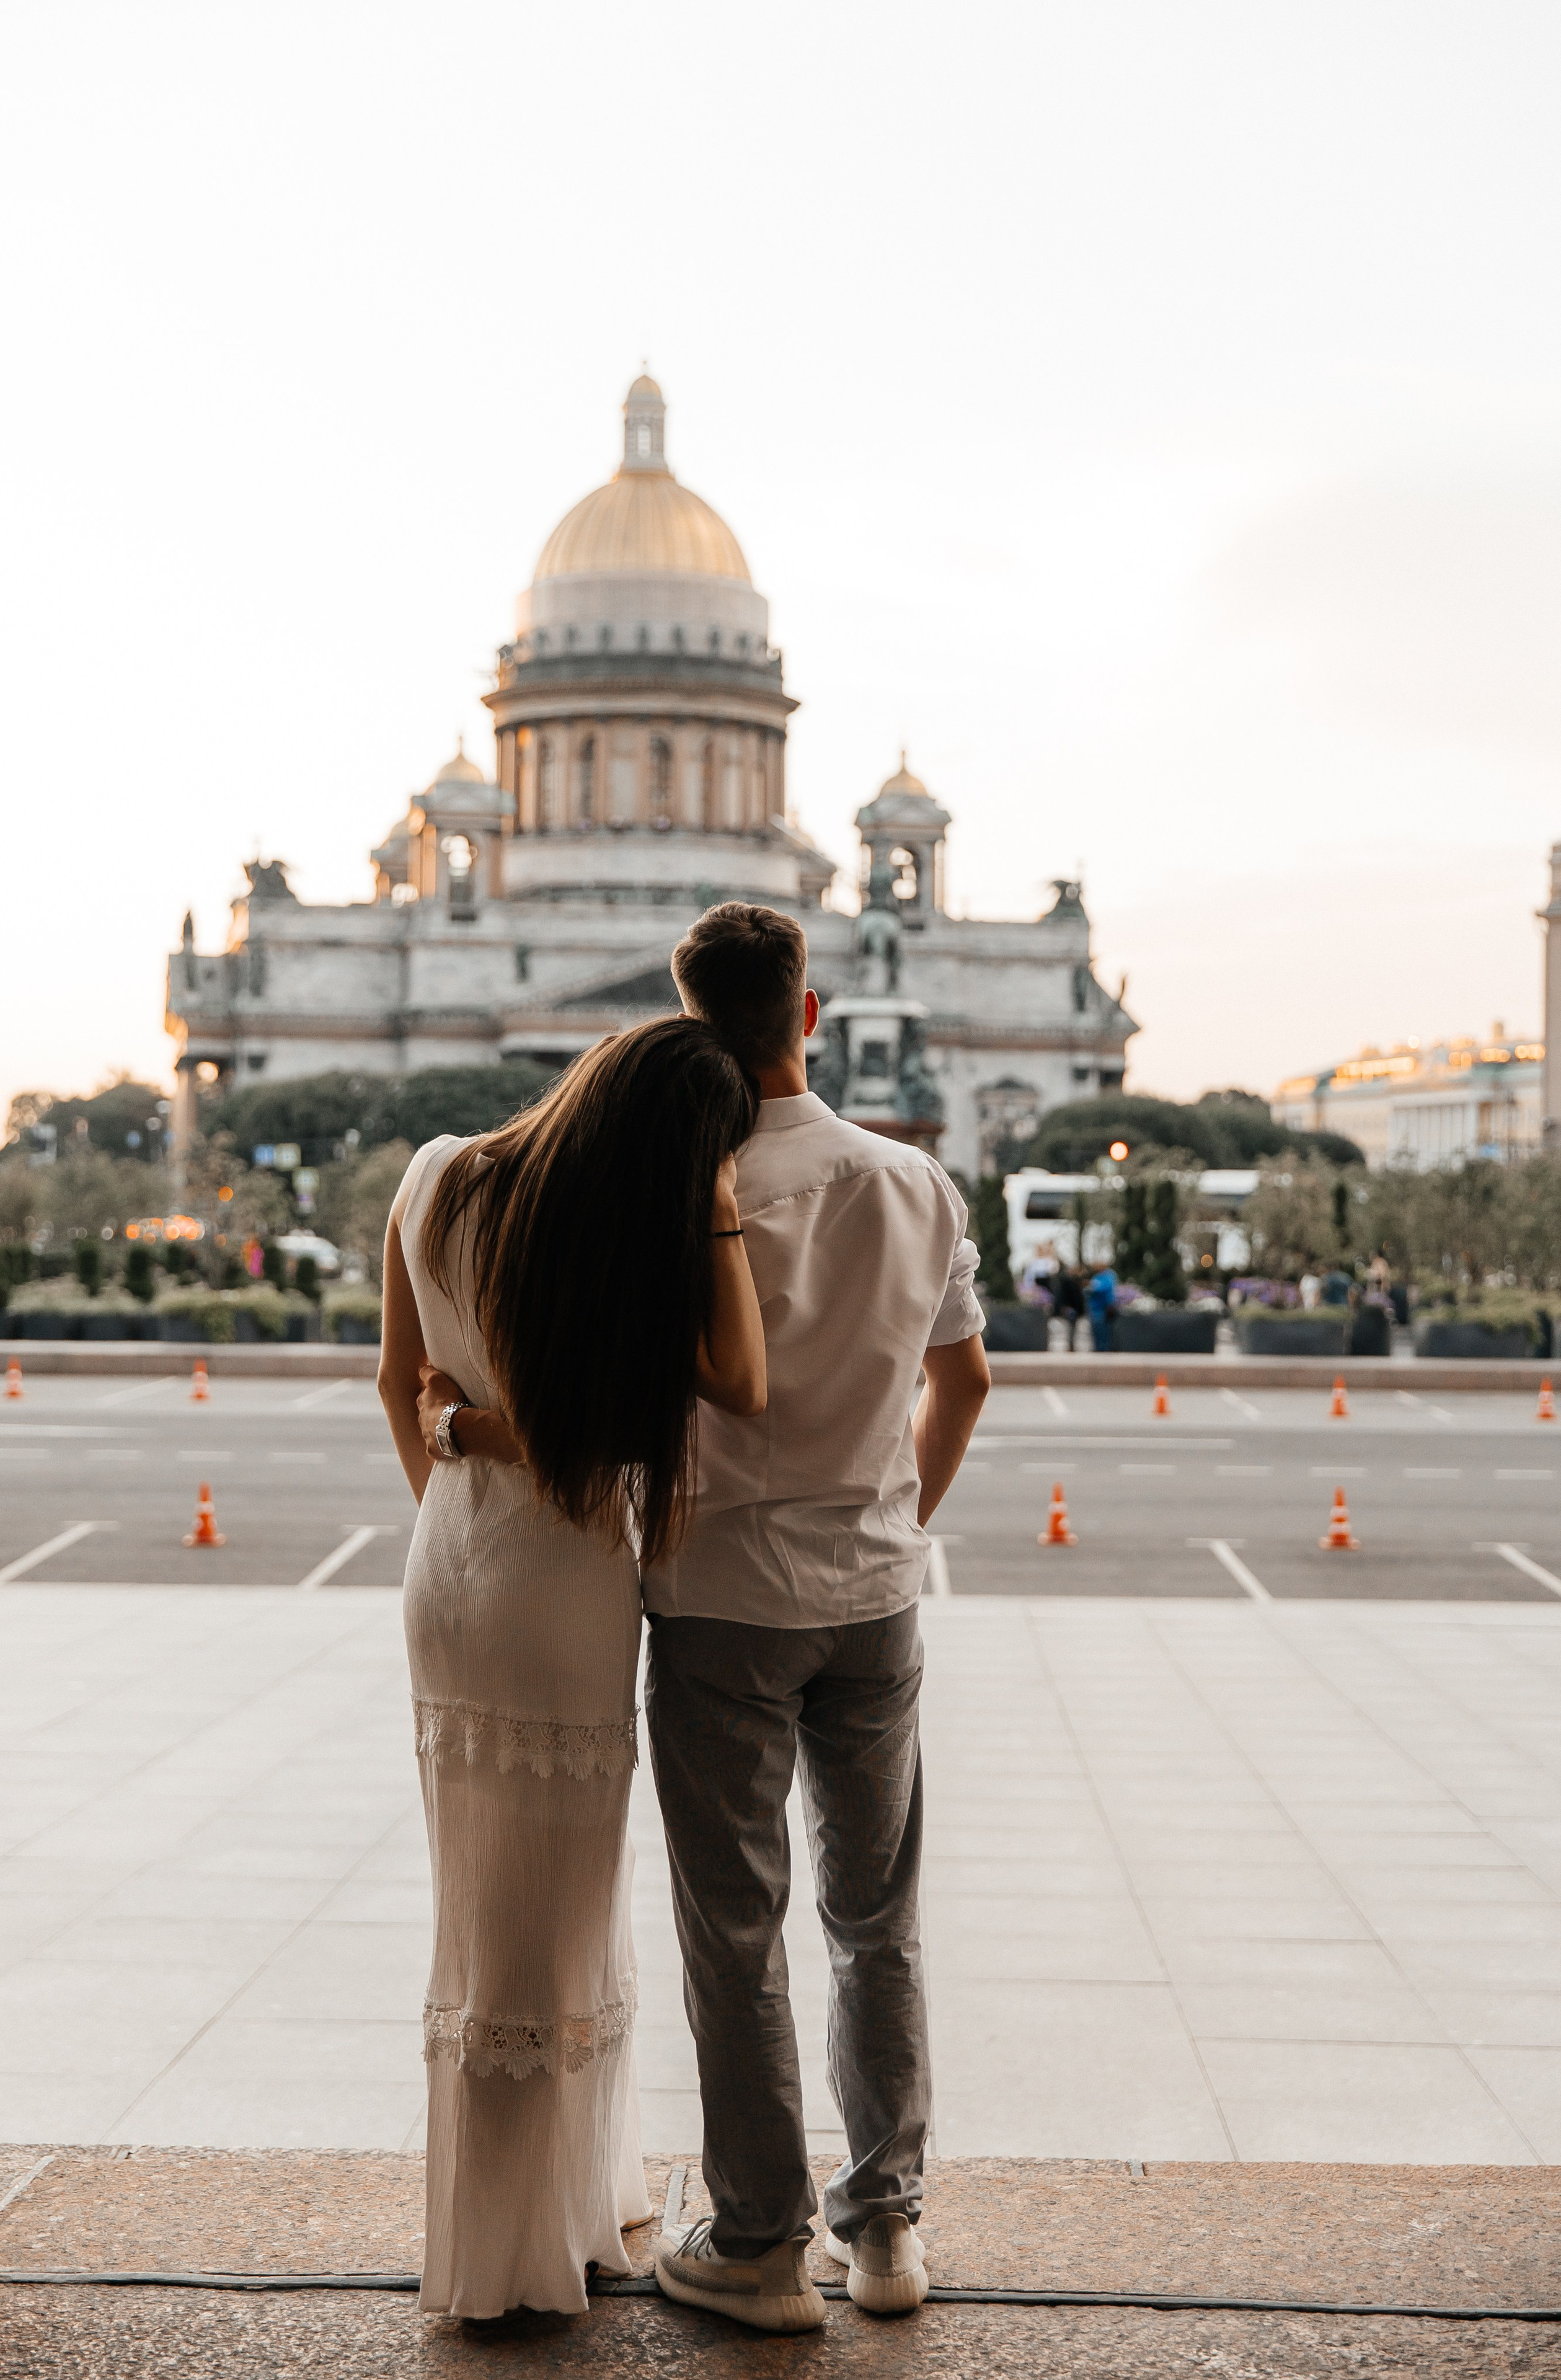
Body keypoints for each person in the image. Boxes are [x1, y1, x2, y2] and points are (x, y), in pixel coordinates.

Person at [378, 1016, 767, 2322]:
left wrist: (456, 1497)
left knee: (486, 1912)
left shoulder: (433, 1173)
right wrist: (711, 1208)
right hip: (568, 1588)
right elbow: (742, 1382)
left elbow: (398, 1382)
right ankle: (532, 2243)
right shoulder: (631, 1237)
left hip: (453, 1569)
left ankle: (539, 2213)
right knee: (557, 1917)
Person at [644, 902, 991, 2335]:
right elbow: (962, 1385)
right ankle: (884, 2228)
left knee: (737, 1935)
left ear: (689, 1017)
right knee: (876, 1922)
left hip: (722, 1594)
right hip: (874, 1594)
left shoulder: (682, 1183)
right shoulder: (912, 1182)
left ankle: (758, 2245)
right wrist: (897, 1517)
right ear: (808, 1008)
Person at [1085, 1260, 1117, 1352]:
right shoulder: (1097, 1277)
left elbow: (1101, 1289)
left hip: (1103, 1309)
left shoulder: (1109, 1276)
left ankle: (1104, 1352)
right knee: (1096, 1333)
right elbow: (1087, 1290)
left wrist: (1091, 1288)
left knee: (1103, 1333)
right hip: (1094, 1309)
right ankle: (1098, 1350)